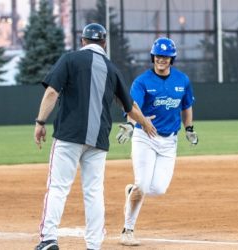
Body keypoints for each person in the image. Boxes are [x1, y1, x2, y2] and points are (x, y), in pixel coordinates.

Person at [33, 23, 156, 250]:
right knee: (93, 192)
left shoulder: (70, 60)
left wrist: (40, 122)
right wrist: (146, 123)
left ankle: (49, 239)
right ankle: (93, 244)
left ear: (82, 41)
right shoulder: (111, 69)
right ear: (104, 44)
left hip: (69, 136)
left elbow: (51, 92)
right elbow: (130, 107)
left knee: (58, 187)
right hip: (98, 140)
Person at [114, 37, 198, 246]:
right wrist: (131, 125)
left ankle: (132, 191)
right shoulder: (142, 81)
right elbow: (133, 107)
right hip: (146, 137)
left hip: (169, 142)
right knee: (142, 185)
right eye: (158, 56)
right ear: (153, 57)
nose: (162, 60)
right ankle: (128, 230)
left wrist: (189, 128)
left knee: (159, 188)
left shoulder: (182, 80)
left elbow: (187, 107)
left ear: (172, 59)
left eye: (166, 57)